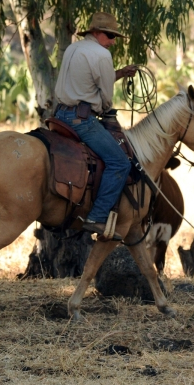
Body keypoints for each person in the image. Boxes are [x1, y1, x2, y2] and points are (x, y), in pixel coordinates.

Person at [54, 12, 137, 240]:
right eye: (110, 36)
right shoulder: (102, 55)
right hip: (81, 120)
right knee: (120, 163)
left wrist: (119, 73)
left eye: (114, 37)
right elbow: (106, 99)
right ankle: (97, 217)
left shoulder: (73, 48)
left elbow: (86, 81)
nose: (112, 42)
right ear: (97, 33)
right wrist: (103, 107)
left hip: (59, 115)